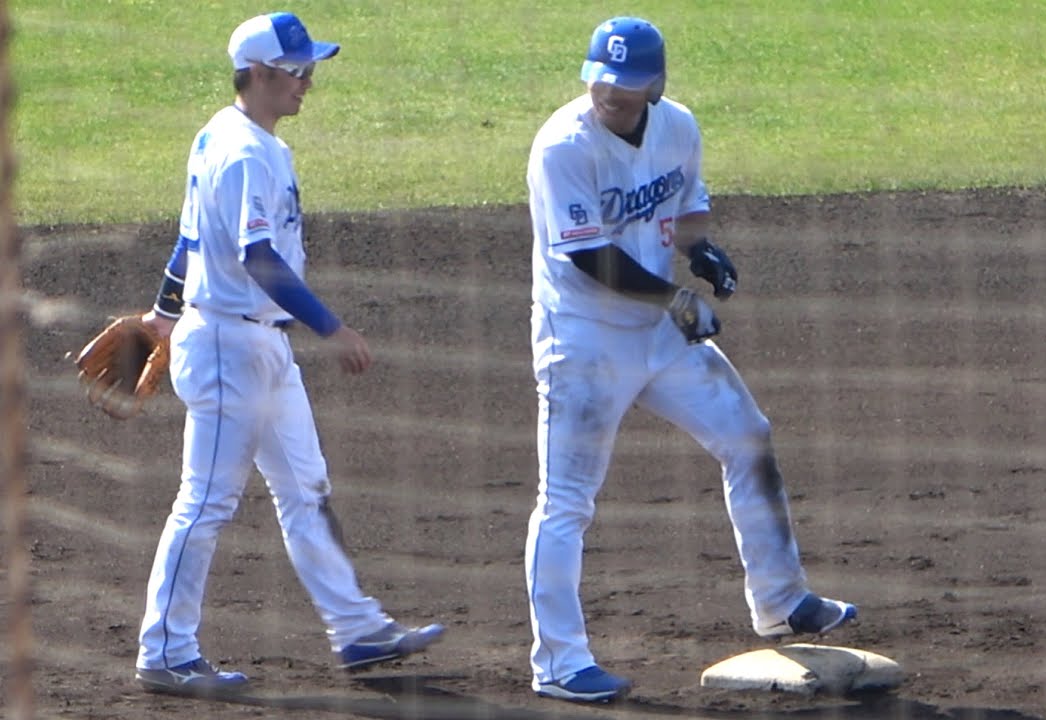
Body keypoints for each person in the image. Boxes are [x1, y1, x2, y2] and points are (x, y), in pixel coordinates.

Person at [523, 16, 858, 703]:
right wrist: (675, 298)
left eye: (627, 88)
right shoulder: (563, 145)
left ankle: (781, 601)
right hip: (584, 342)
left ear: (657, 84)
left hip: (656, 335)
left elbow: (685, 204)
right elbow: (588, 257)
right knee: (565, 501)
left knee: (747, 436)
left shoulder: (677, 125)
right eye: (603, 85)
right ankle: (558, 663)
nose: (611, 98)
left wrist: (701, 251)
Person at [132, 12, 444, 695]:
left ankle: (357, 629)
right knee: (205, 502)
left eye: (310, 69)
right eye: (297, 70)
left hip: (258, 346)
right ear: (258, 73)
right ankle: (165, 651)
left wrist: (161, 313)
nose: (308, 82)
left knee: (305, 489)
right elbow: (258, 257)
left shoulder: (222, 132)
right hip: (230, 346)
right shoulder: (245, 151)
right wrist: (333, 328)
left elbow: (189, 240)